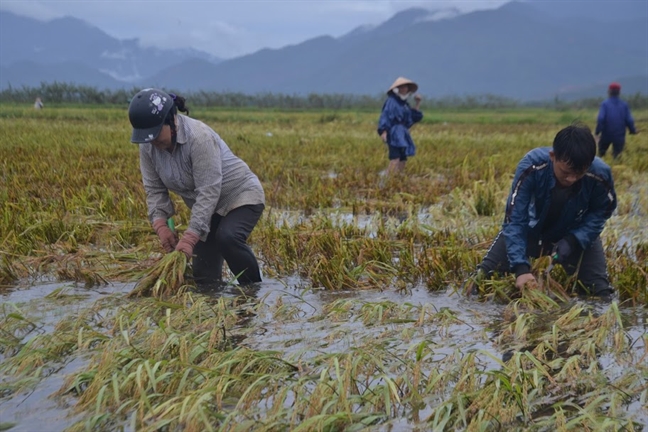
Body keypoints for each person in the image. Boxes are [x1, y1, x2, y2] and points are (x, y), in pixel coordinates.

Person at [128, 88, 265, 286]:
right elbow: (154, 190)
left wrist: (191, 237)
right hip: (208, 211)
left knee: (227, 238)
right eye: (147, 136)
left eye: (156, 133)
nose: (153, 141)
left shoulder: (199, 138)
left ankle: (253, 292)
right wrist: (161, 225)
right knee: (204, 281)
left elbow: (208, 191)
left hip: (240, 196)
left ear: (171, 120)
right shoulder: (148, 146)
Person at [467, 124, 617, 297]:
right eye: (566, 172)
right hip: (531, 232)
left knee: (600, 293)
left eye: (579, 173)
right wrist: (521, 268)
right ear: (553, 156)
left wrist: (574, 240)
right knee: (479, 280)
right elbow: (515, 219)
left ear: (589, 164)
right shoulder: (532, 166)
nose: (572, 179)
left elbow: (602, 211)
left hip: (574, 234)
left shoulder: (600, 174)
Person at [377, 77, 423, 174]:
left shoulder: (404, 104)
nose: (404, 89)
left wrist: (418, 103)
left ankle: (398, 178)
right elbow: (385, 115)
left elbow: (414, 117)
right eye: (401, 87)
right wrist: (383, 131)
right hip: (394, 133)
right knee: (395, 157)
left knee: (403, 158)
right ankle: (389, 180)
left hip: (402, 133)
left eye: (405, 87)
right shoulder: (391, 101)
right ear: (397, 89)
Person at [595, 82, 638, 159]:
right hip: (619, 135)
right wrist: (632, 130)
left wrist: (598, 131)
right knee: (617, 156)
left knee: (601, 154)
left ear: (609, 92)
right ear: (619, 92)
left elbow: (601, 118)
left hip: (606, 134)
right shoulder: (624, 105)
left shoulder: (604, 104)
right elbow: (629, 120)